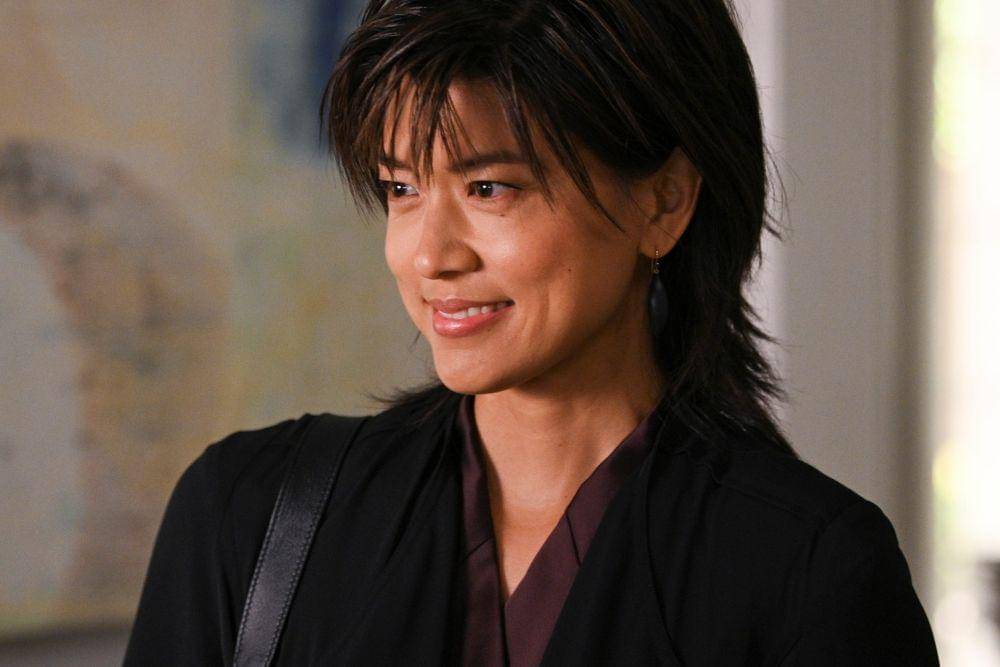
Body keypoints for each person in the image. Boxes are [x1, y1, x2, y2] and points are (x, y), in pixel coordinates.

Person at [124, 0, 940, 664]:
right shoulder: (247, 516)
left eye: (489, 187)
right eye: (402, 188)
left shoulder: (811, 572)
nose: (429, 255)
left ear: (662, 201)